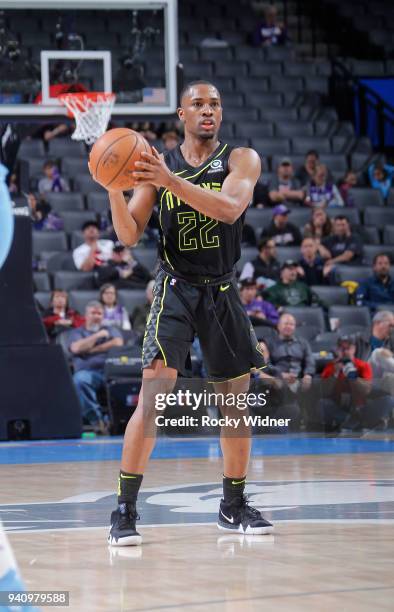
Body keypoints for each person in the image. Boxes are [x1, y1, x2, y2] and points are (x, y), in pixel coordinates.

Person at [99, 80, 274, 546]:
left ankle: (232, 507)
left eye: (214, 103)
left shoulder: (241, 159)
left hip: (221, 289)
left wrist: (168, 181)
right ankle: (124, 510)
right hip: (175, 287)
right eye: (197, 103)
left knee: (234, 404)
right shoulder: (160, 166)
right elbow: (130, 235)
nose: (207, 110)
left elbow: (231, 209)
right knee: (153, 397)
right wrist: (114, 186)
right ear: (181, 113)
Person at [67, 301, 123, 434]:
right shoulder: (77, 332)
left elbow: (118, 343)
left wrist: (91, 350)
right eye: (93, 313)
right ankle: (98, 421)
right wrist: (98, 335)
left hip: (111, 371)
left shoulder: (110, 330)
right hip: (89, 372)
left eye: (100, 313)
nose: (97, 316)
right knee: (80, 380)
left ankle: (122, 421)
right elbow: (76, 348)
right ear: (86, 315)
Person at [265, 313, 315, 429]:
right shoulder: (269, 342)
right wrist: (280, 374)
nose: (288, 326)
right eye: (286, 323)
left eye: (291, 324)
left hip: (300, 378)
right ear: (278, 326)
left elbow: (310, 361)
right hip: (279, 379)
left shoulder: (303, 343)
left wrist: (308, 375)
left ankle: (313, 424)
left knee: (317, 384)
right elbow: (265, 363)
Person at [319, 335, 372, 432]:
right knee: (323, 403)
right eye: (342, 348)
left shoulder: (363, 366)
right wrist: (335, 373)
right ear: (337, 350)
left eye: (348, 348)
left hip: (358, 407)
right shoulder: (331, 366)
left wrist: (354, 378)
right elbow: (323, 390)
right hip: (338, 406)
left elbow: (367, 390)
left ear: (354, 349)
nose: (345, 352)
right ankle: (346, 423)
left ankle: (354, 422)